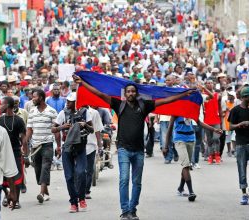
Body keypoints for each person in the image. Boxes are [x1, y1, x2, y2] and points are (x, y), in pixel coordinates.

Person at [73, 74, 193, 220]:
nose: (130, 93)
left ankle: (132, 210)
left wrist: (184, 94)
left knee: (136, 182)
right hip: (123, 149)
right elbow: (99, 93)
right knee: (124, 180)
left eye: (133, 91)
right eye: (128, 91)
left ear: (136, 93)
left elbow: (166, 100)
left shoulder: (144, 105)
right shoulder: (119, 104)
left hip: (138, 151)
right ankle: (125, 211)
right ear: (125, 93)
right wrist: (83, 83)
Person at [52, 93, 94, 212]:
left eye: (70, 101)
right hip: (67, 148)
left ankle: (82, 199)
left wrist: (85, 124)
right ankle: (73, 203)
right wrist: (62, 127)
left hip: (81, 147)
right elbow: (53, 128)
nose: (67, 103)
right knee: (69, 177)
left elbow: (92, 130)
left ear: (76, 103)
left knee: (81, 173)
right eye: (67, 101)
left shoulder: (85, 113)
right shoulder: (62, 113)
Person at [165, 115, 222, 202]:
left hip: (191, 139)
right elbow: (169, 129)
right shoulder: (175, 113)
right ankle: (191, 192)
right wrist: (165, 146)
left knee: (186, 165)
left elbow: (199, 123)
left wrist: (214, 129)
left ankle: (180, 188)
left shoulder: (190, 110)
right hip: (179, 140)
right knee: (186, 165)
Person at [228, 87, 249, 205]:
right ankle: (244, 193)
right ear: (244, 97)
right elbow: (230, 126)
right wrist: (240, 124)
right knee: (242, 170)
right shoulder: (235, 110)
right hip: (240, 144)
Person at [26, 89, 60, 203]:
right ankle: (46, 192)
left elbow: (56, 130)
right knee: (38, 170)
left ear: (41, 97)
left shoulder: (52, 111)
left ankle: (41, 193)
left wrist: (58, 146)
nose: (32, 99)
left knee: (45, 167)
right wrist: (25, 143)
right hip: (35, 145)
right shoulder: (32, 111)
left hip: (47, 144)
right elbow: (29, 129)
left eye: (34, 97)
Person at [0, 96, 27, 209]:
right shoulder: (0, 119)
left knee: (17, 177)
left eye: (2, 104)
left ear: (8, 105)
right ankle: (7, 195)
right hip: (2, 152)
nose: (0, 106)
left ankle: (17, 199)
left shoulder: (19, 120)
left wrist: (26, 154)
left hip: (15, 152)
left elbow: (23, 138)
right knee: (2, 177)